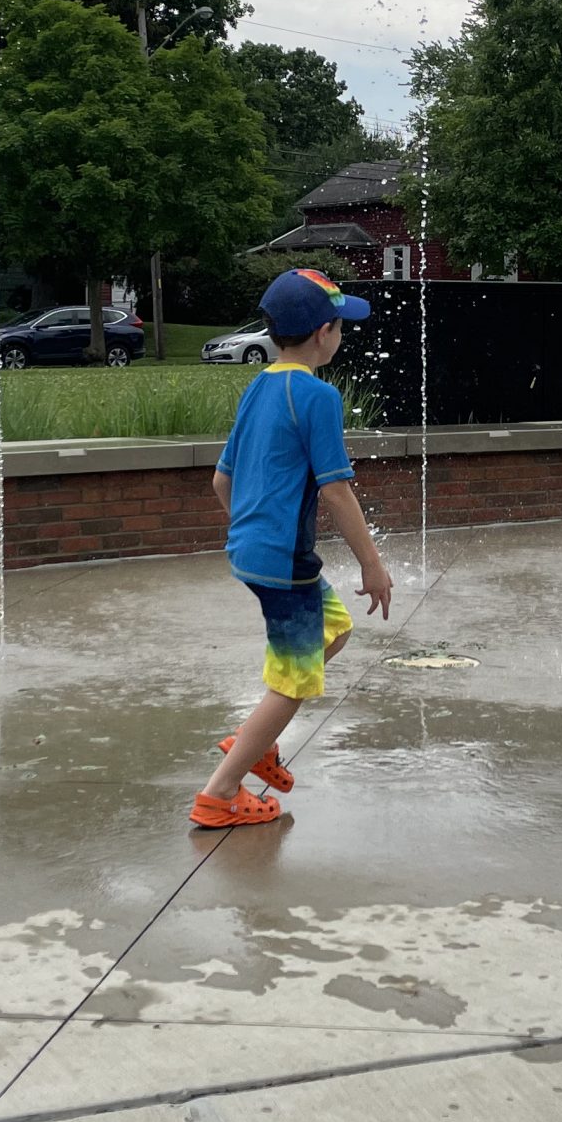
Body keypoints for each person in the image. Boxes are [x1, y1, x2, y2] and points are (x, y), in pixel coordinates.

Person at [192, 268, 394, 829]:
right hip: (284, 559)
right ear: (324, 333)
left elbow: (221, 480)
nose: (341, 336)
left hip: (256, 550)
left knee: (335, 630)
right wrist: (373, 566)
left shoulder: (259, 386)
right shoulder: (317, 395)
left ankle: (255, 740)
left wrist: (251, 534)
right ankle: (220, 794)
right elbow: (336, 490)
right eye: (340, 327)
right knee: (296, 679)